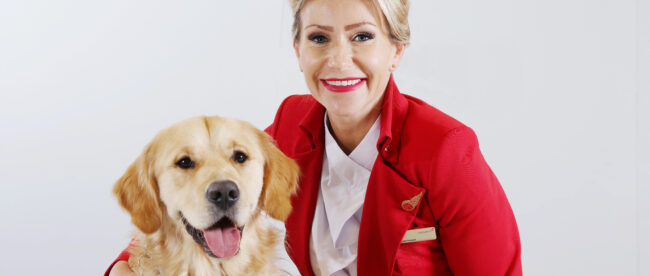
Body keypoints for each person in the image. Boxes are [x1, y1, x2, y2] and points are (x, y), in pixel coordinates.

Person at [107, 0, 522, 275]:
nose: (338, 60)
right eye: (319, 38)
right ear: (298, 50)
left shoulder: (447, 148)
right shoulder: (291, 122)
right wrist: (125, 267)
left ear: (396, 50)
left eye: (362, 36)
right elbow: (204, 185)